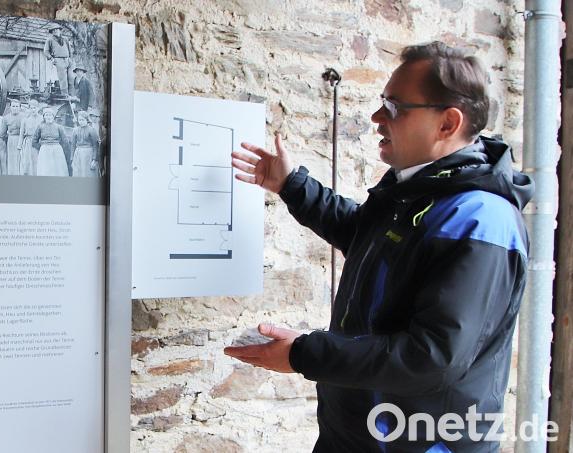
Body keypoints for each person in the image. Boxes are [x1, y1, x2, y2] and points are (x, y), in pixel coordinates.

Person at [226, 41, 533, 452]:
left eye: (393, 107)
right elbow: (366, 237)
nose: (376, 118)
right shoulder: (416, 187)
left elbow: (431, 357)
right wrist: (290, 184)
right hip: (355, 434)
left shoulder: (480, 221)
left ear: (447, 123)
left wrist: (303, 353)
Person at [32, 108, 69, 176]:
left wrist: (60, 148)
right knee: (45, 170)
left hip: (57, 150)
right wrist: (41, 147)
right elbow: (34, 141)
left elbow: (65, 140)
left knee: (57, 170)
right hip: (44, 151)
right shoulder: (40, 127)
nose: (48, 117)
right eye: (46, 115)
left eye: (50, 115)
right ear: (44, 117)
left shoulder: (59, 127)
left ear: (53, 116)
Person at [18, 99, 44, 176]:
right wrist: (20, 145)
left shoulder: (42, 119)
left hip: (38, 142)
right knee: (27, 162)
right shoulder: (25, 120)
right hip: (28, 143)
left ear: (38, 108)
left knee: (37, 161)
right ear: (29, 109)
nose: (33, 110)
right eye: (31, 108)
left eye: (34, 108)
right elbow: (21, 134)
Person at [70, 111, 100, 177]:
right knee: (78, 173)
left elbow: (95, 145)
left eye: (83, 120)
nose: (81, 122)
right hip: (78, 154)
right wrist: (72, 159)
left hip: (88, 154)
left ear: (86, 119)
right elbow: (73, 145)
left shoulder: (91, 130)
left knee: (87, 173)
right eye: (79, 120)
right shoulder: (75, 130)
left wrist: (94, 160)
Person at [45, 24, 72, 95]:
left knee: (71, 77)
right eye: (53, 30)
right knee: (63, 79)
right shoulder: (49, 40)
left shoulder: (65, 39)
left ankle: (72, 95)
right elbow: (46, 51)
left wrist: (70, 58)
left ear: (60, 30)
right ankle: (65, 95)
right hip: (58, 60)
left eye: (57, 29)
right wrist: (51, 58)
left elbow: (69, 50)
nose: (55, 31)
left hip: (67, 59)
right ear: (52, 32)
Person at [3, 98, 25, 175]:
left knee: (21, 158)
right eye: (13, 106)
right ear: (10, 107)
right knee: (12, 159)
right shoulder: (6, 118)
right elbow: (2, 133)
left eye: (16, 106)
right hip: (11, 140)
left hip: (22, 140)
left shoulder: (24, 117)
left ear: (20, 107)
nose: (15, 108)